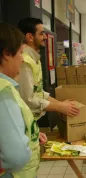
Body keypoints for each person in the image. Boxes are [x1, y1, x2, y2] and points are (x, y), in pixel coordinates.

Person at [17, 17, 79, 122]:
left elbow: (39, 92)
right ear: (30, 37)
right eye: (41, 34)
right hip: (23, 120)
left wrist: (60, 104)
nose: (45, 37)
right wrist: (59, 107)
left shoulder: (35, 59)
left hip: (31, 120)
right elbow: (28, 100)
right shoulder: (25, 62)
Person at [0, 23, 39, 178]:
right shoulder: (3, 91)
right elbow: (16, 157)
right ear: (7, 54)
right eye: (21, 53)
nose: (22, 59)